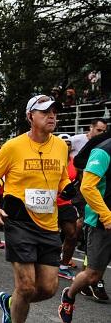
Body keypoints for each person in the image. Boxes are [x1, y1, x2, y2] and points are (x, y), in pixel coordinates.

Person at [0, 94, 72, 323]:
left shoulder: (60, 146)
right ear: (30, 116)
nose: (52, 116)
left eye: (54, 112)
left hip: (49, 224)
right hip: (20, 221)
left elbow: (61, 178)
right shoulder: (13, 147)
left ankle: (10, 303)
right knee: (26, 285)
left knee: (48, 288)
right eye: (45, 112)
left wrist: (68, 188)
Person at [58, 135, 111, 322]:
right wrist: (106, 215)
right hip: (101, 222)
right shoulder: (104, 151)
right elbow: (87, 187)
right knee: (92, 276)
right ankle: (69, 295)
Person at [56, 139, 79, 280]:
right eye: (64, 143)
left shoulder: (74, 161)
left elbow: (80, 179)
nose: (67, 146)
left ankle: (63, 267)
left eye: (69, 144)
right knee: (49, 237)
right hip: (48, 203)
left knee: (72, 234)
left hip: (65, 203)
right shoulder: (53, 159)